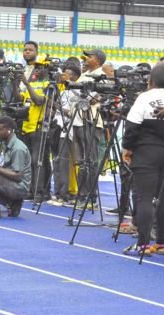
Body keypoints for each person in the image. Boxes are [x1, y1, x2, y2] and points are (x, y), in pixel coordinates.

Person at [121, 63, 164, 256]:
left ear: (151, 79)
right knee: (163, 199)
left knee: (144, 198)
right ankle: (162, 243)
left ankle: (144, 244)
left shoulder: (144, 97)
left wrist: (128, 148)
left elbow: (131, 127)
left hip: (145, 152)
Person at [70, 49, 107, 210]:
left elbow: (91, 100)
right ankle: (82, 195)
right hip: (78, 121)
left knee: (90, 161)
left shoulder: (101, 77)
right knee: (81, 161)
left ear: (98, 60)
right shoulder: (85, 75)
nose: (86, 59)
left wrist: (80, 96)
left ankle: (91, 198)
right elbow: (75, 96)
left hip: (91, 122)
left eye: (90, 56)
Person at [14, 60, 50, 202]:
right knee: (28, 162)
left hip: (38, 127)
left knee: (37, 161)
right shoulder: (33, 84)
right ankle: (29, 190)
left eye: (40, 68)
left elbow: (39, 101)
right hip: (26, 126)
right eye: (35, 67)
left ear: (46, 70)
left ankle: (39, 192)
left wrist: (27, 84)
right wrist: (16, 84)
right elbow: (19, 99)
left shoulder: (48, 85)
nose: (36, 70)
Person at [47, 65, 81, 207]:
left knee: (63, 162)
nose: (63, 76)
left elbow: (73, 113)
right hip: (57, 128)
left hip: (67, 130)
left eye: (66, 74)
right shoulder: (62, 91)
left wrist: (55, 105)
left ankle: (64, 194)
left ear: (73, 77)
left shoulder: (76, 92)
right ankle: (57, 193)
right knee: (56, 161)